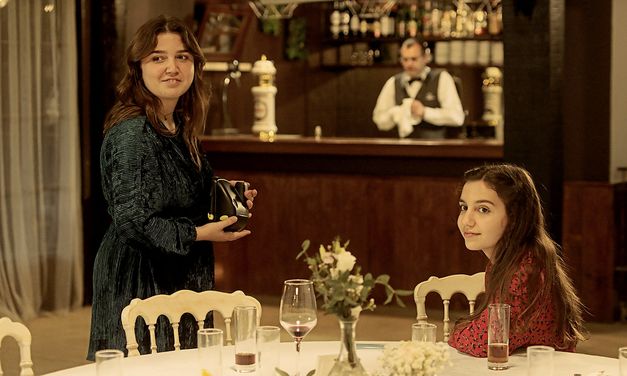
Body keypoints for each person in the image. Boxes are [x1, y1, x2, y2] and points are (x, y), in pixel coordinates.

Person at [87, 15, 257, 360]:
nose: (172, 67)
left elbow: (175, 190)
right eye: (157, 57)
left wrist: (225, 197)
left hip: (180, 274)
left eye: (182, 56)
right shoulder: (132, 134)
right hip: (139, 279)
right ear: (138, 67)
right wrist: (199, 234)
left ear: (196, 63)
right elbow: (134, 222)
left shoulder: (177, 122)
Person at [448, 164, 586, 357]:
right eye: (464, 207)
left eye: (483, 209)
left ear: (514, 217)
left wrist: (457, 331)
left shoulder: (524, 269)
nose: (466, 221)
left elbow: (482, 342)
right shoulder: (509, 260)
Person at [372, 37, 464, 139]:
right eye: (405, 59)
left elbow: (457, 118)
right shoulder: (393, 82)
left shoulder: (442, 78)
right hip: (403, 149)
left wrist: (424, 112)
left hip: (437, 149)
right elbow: (379, 120)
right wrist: (396, 113)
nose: (409, 64)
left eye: (414, 59)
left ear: (425, 58)